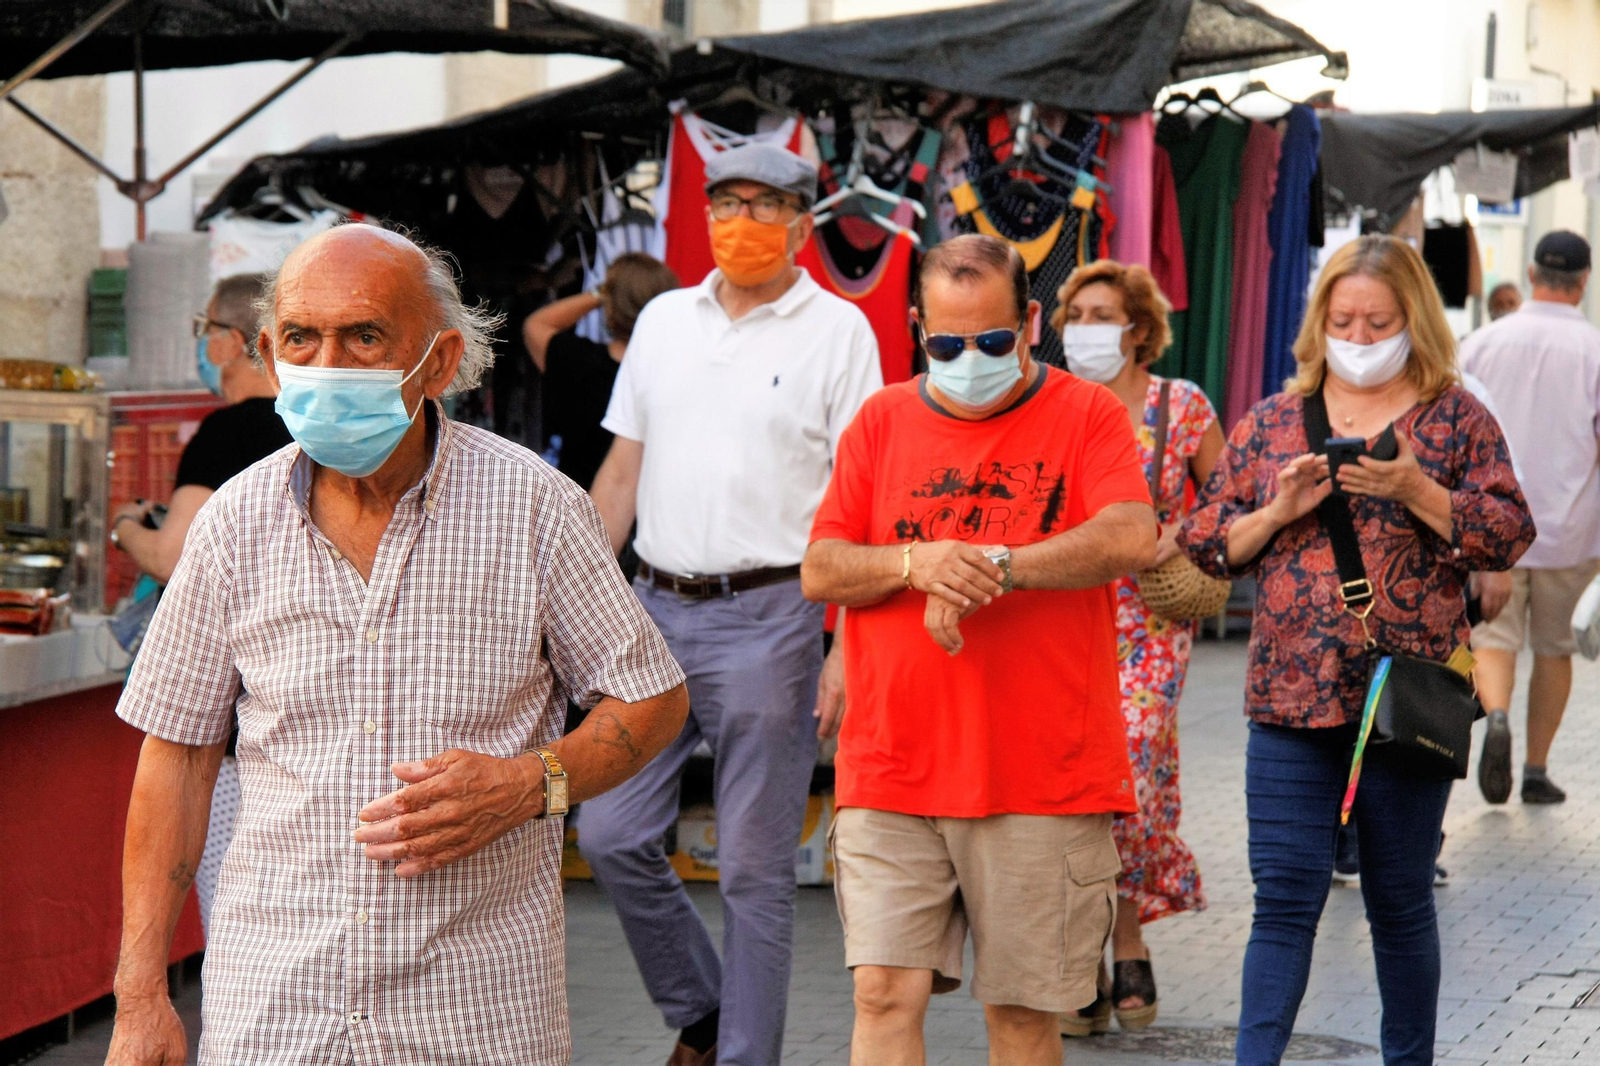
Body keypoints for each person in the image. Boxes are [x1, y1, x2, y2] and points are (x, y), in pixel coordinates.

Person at [104, 223, 689, 1066]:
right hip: (278, 1007)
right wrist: (140, 993)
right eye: (302, 338)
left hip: (477, 1009)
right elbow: (178, 758)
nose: (328, 364)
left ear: (441, 362)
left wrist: (532, 783)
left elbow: (653, 697)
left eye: (365, 335)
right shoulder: (234, 523)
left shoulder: (533, 509)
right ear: (269, 356)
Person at [802, 234, 1157, 1066]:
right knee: (882, 992)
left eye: (994, 341)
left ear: (1031, 321)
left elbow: (1131, 534)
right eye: (947, 344)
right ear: (919, 328)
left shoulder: (1087, 414)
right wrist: (913, 562)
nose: (970, 359)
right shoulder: (882, 420)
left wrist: (1000, 565)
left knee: (1024, 1015)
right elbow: (822, 567)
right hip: (891, 768)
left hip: (1039, 775)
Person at [1180, 233, 1533, 1066]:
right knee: (1284, 899)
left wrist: (1417, 488)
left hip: (1407, 701)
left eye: (1380, 321)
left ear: (1415, 319)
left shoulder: (1455, 419)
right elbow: (1200, 541)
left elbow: (1510, 534)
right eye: (1345, 320)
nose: (1362, 338)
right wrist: (1274, 512)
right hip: (1289, 700)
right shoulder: (1271, 422)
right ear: (1319, 321)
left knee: (1400, 900)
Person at [581, 142, 882, 1066]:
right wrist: (570, 601)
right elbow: (621, 472)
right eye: (724, 202)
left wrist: (844, 646)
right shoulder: (668, 319)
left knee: (754, 871)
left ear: (802, 222)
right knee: (609, 831)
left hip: (775, 616)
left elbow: (860, 499)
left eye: (763, 203)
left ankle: (746, 1056)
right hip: (652, 612)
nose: (739, 221)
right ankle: (705, 1016)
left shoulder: (840, 333)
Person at [1054, 259, 1222, 1035]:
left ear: (1138, 327)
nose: (1087, 328)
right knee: (1070, 775)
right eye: (1076, 314)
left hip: (1151, 620)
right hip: (1063, 614)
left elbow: (1231, 502)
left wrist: (1176, 533)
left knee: (1134, 763)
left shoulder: (1180, 406)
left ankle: (1125, 931)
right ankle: (1085, 948)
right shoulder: (1053, 408)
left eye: (1102, 313)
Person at [106, 272, 292, 936]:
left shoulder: (225, 433)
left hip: (234, 716)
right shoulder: (311, 430)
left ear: (232, 342)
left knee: (234, 914)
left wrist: (126, 526)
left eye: (203, 330)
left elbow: (172, 557)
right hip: (298, 701)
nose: (201, 345)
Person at [1460, 230, 1600, 805]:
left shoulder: (1479, 343)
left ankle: (1494, 715)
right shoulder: (1594, 348)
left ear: (1532, 271)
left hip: (1493, 527)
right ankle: (1537, 771)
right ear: (1584, 281)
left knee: (1493, 636)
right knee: (1554, 648)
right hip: (1570, 530)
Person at [522, 252, 680, 490]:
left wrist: (600, 294)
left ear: (612, 306)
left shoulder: (576, 361)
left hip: (578, 506)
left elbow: (536, 324)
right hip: (649, 513)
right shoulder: (677, 374)